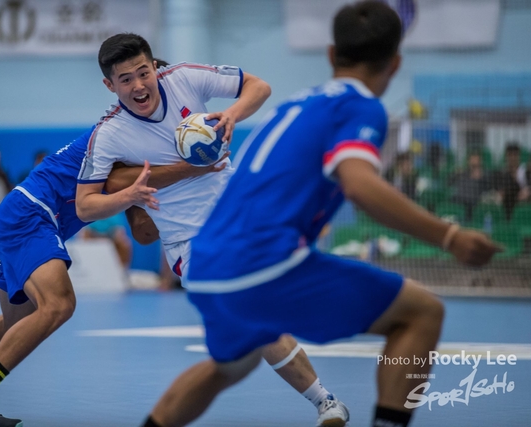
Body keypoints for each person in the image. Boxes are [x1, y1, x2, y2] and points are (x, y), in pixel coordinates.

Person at [139, 3, 501, 427]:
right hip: (263, 262)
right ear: (395, 63)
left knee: (230, 366)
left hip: (206, 264)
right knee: (422, 313)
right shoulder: (360, 106)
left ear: (331, 54)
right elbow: (360, 185)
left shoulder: (296, 104)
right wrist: (449, 236)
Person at [76, 33, 349, 426]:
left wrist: (233, 113)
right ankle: (325, 402)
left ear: (155, 67)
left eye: (143, 72)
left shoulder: (185, 78)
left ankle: (326, 399)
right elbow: (85, 205)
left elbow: (259, 86)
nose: (138, 85)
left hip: (238, 218)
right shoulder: (109, 134)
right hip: (190, 245)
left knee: (261, 317)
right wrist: (130, 195)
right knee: (252, 316)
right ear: (110, 85)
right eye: (125, 79)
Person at [0, 129, 232, 426]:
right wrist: (191, 170)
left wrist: (178, 206)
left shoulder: (143, 159)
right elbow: (115, 183)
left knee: (19, 321)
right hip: (31, 215)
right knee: (58, 304)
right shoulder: (122, 135)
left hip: (29, 217)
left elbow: (143, 233)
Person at [449, 152, 492, 221]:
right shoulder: (463, 173)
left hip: (473, 204)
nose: (474, 162)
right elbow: (449, 182)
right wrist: (455, 173)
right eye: (472, 159)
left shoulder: (485, 175)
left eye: (476, 159)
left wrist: (480, 178)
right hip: (459, 200)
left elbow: (488, 189)